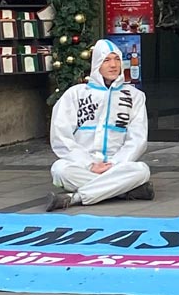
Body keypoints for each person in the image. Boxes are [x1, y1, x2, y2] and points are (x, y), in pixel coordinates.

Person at [47, 39, 152, 211]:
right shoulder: (75, 94)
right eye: (106, 60)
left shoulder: (135, 96)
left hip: (117, 166)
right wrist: (89, 164)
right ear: (97, 64)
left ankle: (75, 198)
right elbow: (61, 136)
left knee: (141, 170)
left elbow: (137, 139)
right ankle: (122, 190)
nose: (113, 65)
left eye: (117, 59)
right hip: (83, 165)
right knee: (59, 170)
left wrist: (114, 164)